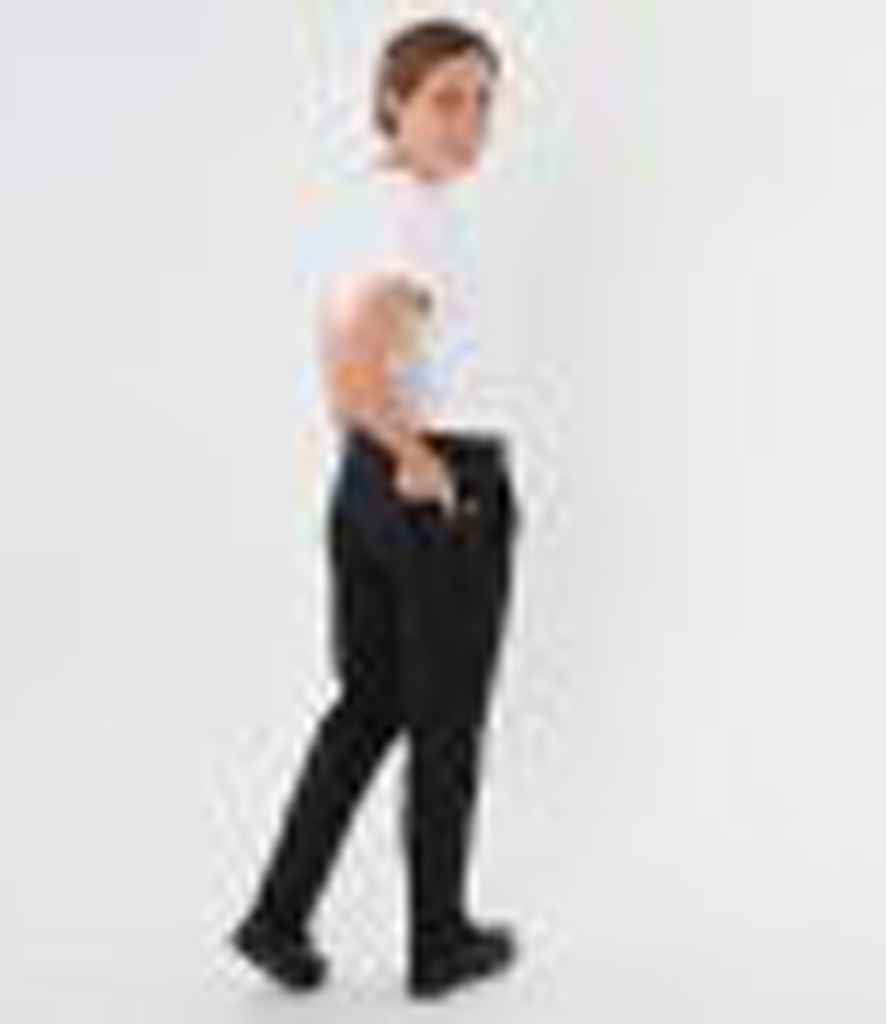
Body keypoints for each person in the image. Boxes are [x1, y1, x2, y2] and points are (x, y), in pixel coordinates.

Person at [229, 17, 522, 1000]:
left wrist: (372, 452)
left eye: (483, 102)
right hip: (437, 480)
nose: (469, 122)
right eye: (447, 99)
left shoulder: (364, 205)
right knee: (446, 725)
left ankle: (277, 917)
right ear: (393, 101)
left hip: (363, 481)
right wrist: (417, 458)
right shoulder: (418, 221)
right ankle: (440, 942)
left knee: (367, 708)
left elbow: (337, 364)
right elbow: (359, 362)